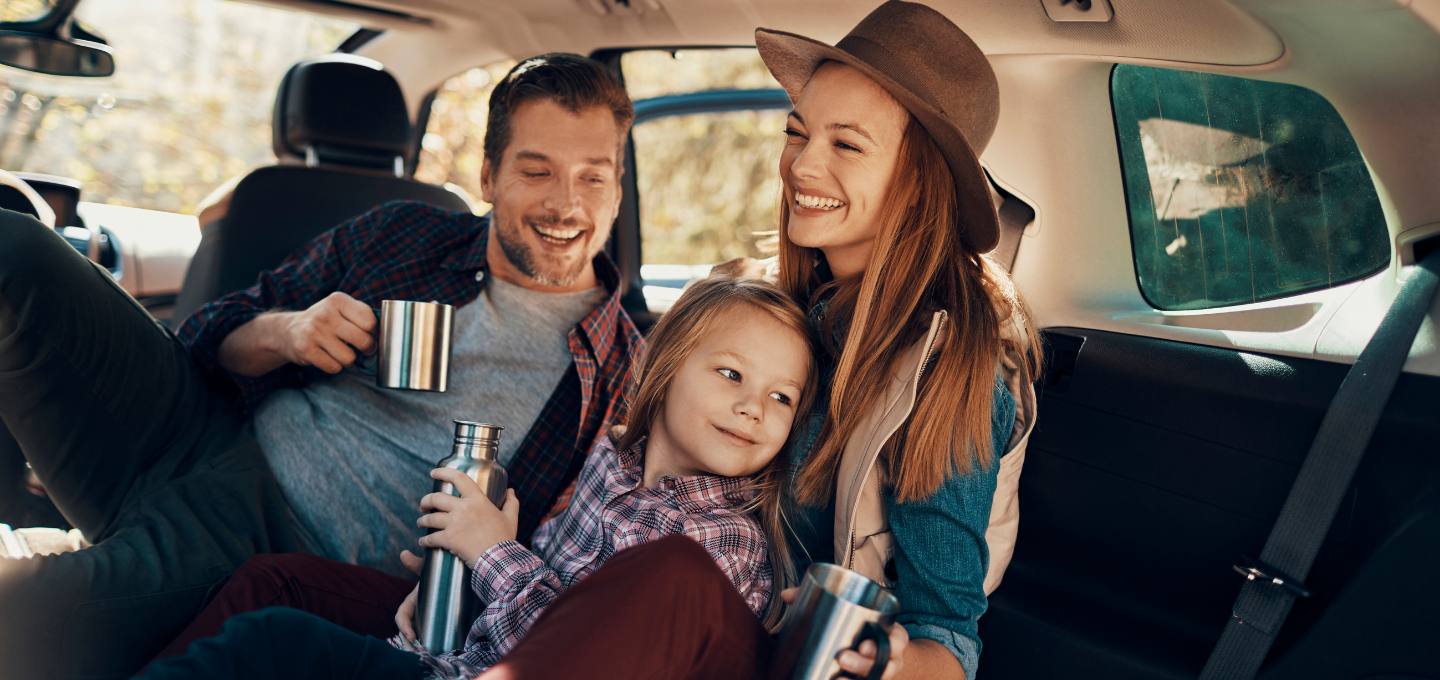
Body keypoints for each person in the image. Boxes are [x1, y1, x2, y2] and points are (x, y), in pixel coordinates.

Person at [0, 53, 643, 679]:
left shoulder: (624, 377)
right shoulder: (405, 235)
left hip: (274, 538)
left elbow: (578, 570)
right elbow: (206, 336)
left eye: (592, 176)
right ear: (486, 177)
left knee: (23, 617)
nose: (567, 205)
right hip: (201, 425)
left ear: (617, 188)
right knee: (17, 248)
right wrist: (290, 331)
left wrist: (476, 562)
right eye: (536, 172)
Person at [468, 3, 1042, 680]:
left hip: (773, 656)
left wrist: (887, 660)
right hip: (638, 621)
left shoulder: (952, 369)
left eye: (846, 145)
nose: (802, 165)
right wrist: (487, 580)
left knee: (674, 575)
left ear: (921, 183)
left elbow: (947, 644)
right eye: (798, 132)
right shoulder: (763, 300)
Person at [139, 274, 817, 680]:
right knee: (269, 585)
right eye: (731, 374)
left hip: (484, 667)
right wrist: (459, 583)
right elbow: (545, 596)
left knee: (273, 643)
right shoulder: (614, 463)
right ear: (662, 370)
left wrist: (492, 552)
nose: (754, 406)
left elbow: (576, 652)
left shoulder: (723, 543)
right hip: (464, 651)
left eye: (781, 397)